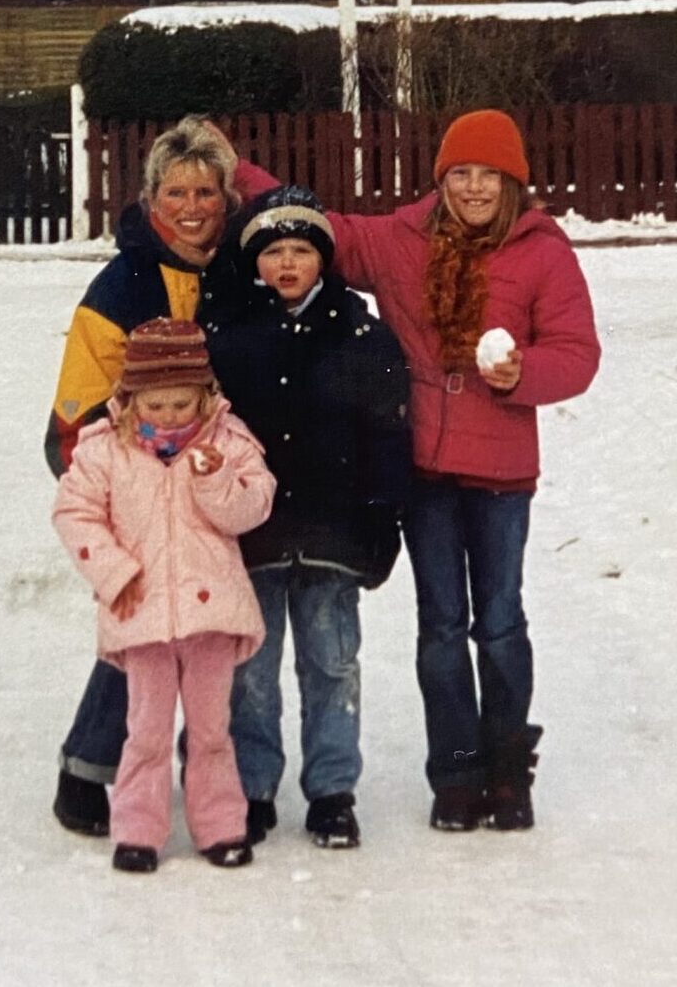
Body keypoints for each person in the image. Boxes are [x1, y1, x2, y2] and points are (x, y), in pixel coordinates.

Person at [234, 109, 600, 832]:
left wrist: (522, 371)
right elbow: (315, 226)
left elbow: (578, 353)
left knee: (499, 623)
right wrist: (234, 170)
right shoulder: (403, 241)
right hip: (427, 471)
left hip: (501, 475)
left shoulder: (543, 253)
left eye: (487, 175)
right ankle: (456, 774)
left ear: (512, 182)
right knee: (440, 625)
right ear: (442, 178)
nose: (472, 188)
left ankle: (506, 769)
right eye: (459, 173)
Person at [43, 116, 253, 837]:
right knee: (145, 639)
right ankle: (88, 767)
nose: (191, 207)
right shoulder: (122, 284)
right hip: (140, 486)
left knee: (213, 641)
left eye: (206, 191)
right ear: (149, 200)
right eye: (174, 192)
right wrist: (119, 477)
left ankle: (215, 783)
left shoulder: (239, 267)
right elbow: (75, 412)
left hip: (219, 480)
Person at [207, 185, 413, 850]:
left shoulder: (361, 335)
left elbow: (389, 437)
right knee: (251, 671)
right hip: (255, 535)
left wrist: (382, 525)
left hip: (334, 533)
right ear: (255, 262)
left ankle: (331, 790)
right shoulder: (232, 336)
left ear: (324, 258)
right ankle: (253, 787)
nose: (287, 264)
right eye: (273, 252)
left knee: (332, 661)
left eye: (301, 250)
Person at [52, 319, 275, 873]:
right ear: (131, 399)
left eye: (183, 403)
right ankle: (138, 829)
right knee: (145, 730)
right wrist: (113, 572)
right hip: (142, 611)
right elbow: (73, 513)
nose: (171, 416)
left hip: (212, 616)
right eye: (158, 403)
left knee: (211, 729)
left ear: (205, 396)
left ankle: (221, 825)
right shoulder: (105, 449)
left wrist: (216, 481)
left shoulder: (229, 442)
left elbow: (253, 508)